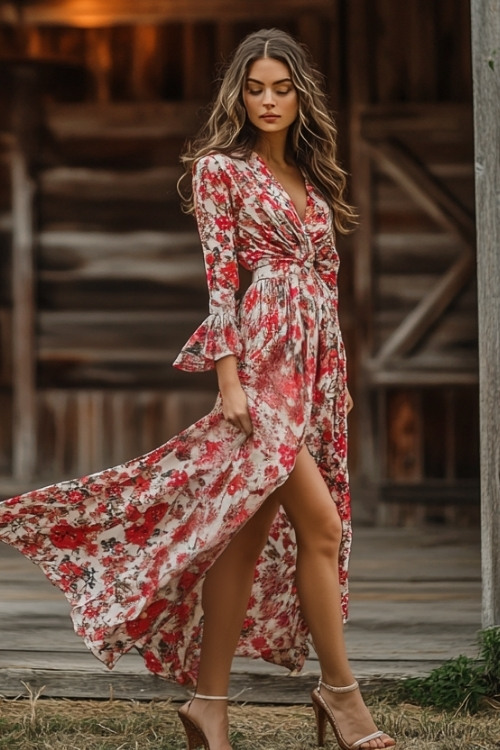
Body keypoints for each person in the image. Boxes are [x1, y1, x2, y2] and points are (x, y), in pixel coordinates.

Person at [0, 28, 395, 750]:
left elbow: (329, 287)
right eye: (255, 88)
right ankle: (342, 697)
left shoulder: (312, 178)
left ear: (301, 96)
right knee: (324, 529)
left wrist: (336, 388)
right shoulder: (222, 170)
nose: (269, 101)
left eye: (281, 88)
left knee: (241, 544)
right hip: (264, 368)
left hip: (314, 370)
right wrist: (229, 381)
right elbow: (221, 284)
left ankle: (207, 706)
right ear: (238, 95)